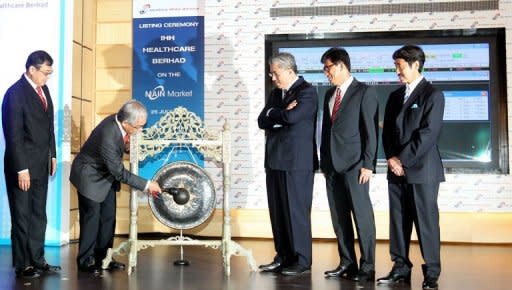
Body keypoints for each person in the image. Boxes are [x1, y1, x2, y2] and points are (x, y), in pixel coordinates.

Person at [377, 45, 445, 290]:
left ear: (416, 64)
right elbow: (387, 134)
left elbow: (428, 135)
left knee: (426, 222)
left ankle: (432, 273)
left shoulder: (433, 95)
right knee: (398, 221)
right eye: (395, 66)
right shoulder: (395, 96)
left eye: (400, 66)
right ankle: (400, 268)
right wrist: (392, 159)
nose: (397, 71)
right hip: (396, 171)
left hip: (422, 171)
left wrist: (402, 160)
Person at [70, 100, 162, 273]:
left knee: (108, 219)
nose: (140, 130)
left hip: (106, 175)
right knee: (92, 219)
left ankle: (104, 257)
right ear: (126, 123)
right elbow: (119, 172)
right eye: (138, 127)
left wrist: (128, 144)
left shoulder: (119, 121)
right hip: (89, 176)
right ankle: (85, 261)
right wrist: (148, 185)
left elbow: (121, 145)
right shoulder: (108, 134)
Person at [319, 47, 378, 282]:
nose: (326, 73)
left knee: (362, 217)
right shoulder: (329, 95)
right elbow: (326, 131)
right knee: (339, 218)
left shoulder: (365, 92)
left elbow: (370, 132)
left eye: (328, 67)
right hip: (332, 166)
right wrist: (324, 162)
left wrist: (368, 164)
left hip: (356, 166)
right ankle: (347, 263)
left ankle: (368, 266)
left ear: (342, 65)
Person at [257, 52, 318, 276]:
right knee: (279, 212)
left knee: (296, 212)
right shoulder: (276, 94)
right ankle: (283, 256)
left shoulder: (307, 92)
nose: (272, 77)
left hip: (296, 163)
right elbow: (262, 120)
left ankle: (302, 260)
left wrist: (276, 116)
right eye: (271, 73)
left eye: (275, 72)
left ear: (289, 70)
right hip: (274, 160)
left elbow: (293, 119)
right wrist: (278, 113)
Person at [2, 50, 61, 279]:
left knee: (39, 214)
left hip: (41, 164)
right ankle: (23, 264)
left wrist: (52, 155)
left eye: (50, 73)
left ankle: (38, 259)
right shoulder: (15, 94)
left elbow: (49, 127)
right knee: (22, 215)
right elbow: (14, 135)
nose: (48, 78)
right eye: (45, 73)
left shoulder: (43, 89)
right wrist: (21, 169)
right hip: (22, 168)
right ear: (32, 69)